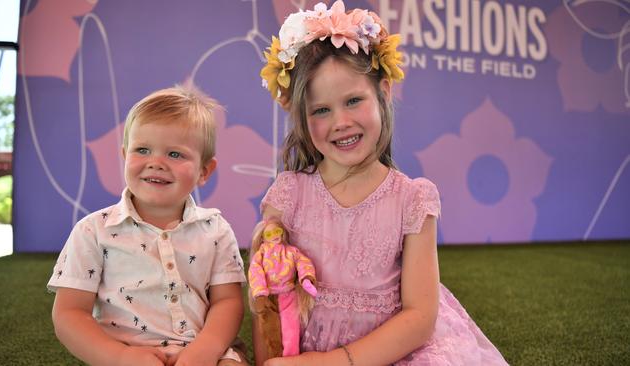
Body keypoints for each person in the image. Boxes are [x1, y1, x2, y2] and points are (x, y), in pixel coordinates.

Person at [254, 1, 509, 365]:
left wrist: (333, 362)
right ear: (301, 116)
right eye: (321, 110)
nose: (340, 121)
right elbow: (270, 297)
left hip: (395, 353)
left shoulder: (413, 199)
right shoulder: (287, 195)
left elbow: (419, 319)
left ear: (384, 92)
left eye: (353, 100)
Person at [48, 86, 248, 366]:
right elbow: (69, 314)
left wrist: (204, 350)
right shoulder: (93, 231)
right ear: (124, 155)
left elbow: (228, 302)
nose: (156, 163)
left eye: (175, 154)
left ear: (204, 171)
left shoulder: (215, 229)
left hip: (204, 348)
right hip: (124, 351)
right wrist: (121, 356)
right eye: (142, 150)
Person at [248, 218, 317, 359]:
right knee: (271, 330)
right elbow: (255, 272)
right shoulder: (260, 255)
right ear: (262, 238)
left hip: (288, 294)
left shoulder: (291, 251)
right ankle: (275, 358)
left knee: (291, 329)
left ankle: (290, 359)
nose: (274, 236)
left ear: (282, 232)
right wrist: (260, 294)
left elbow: (303, 262)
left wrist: (306, 279)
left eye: (277, 231)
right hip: (269, 297)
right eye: (269, 234)